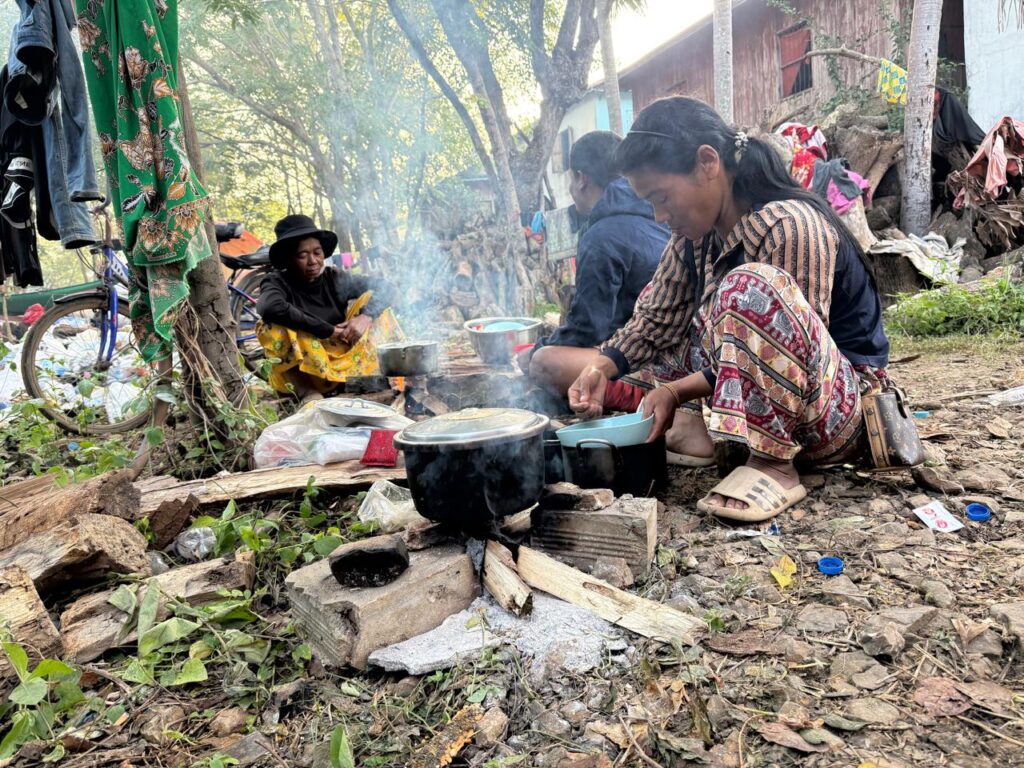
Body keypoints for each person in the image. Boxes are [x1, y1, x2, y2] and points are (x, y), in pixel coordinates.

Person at [567, 97, 890, 522]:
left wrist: (676, 390)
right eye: (650, 203)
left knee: (748, 286)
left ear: (707, 162)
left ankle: (773, 463)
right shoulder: (694, 237)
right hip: (764, 383)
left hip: (834, 411)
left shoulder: (788, 225)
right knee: (641, 357)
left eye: (662, 197)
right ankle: (701, 433)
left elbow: (789, 356)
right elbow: (655, 322)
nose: (659, 215)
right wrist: (601, 369)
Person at [522, 131, 669, 394]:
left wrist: (538, 349)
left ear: (581, 179)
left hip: (647, 363)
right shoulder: (657, 217)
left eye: (570, 179)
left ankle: (638, 396)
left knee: (544, 363)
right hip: (677, 353)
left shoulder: (601, 238)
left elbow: (588, 329)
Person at [256, 214, 402, 402]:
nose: (313, 261)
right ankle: (307, 392)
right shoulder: (277, 282)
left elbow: (387, 287)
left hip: (344, 360)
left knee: (376, 308)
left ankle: (370, 376)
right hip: (308, 371)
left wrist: (365, 317)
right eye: (302, 255)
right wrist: (329, 331)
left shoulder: (334, 278)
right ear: (288, 259)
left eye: (317, 253)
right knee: (271, 326)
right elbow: (269, 307)